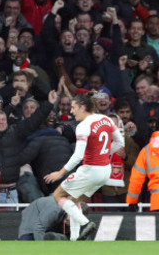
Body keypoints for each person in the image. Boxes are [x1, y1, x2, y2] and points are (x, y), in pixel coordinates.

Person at [43, 92, 124, 241]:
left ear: (82, 107)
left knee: (58, 195)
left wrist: (60, 173)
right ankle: (75, 239)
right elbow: (120, 143)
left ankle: (85, 223)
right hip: (106, 170)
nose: (71, 111)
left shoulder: (83, 126)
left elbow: (78, 156)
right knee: (74, 200)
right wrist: (104, 154)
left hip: (90, 169)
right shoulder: (106, 120)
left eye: (73, 107)